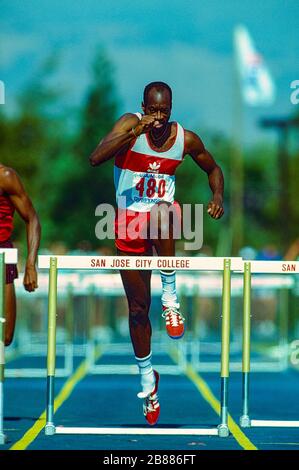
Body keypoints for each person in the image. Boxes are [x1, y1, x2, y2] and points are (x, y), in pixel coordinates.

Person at [89, 81, 224, 425]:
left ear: (173, 108)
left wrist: (217, 197)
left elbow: (213, 168)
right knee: (137, 310)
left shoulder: (185, 139)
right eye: (153, 111)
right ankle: (148, 380)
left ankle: (170, 297)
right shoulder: (129, 126)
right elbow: (96, 158)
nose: (160, 118)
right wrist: (136, 129)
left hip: (160, 222)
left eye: (165, 111)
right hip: (126, 224)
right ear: (143, 106)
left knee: (163, 212)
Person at [0, 164, 41, 346]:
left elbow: (32, 218)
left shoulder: (5, 176)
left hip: (2, 255)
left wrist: (30, 264)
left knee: (5, 335)